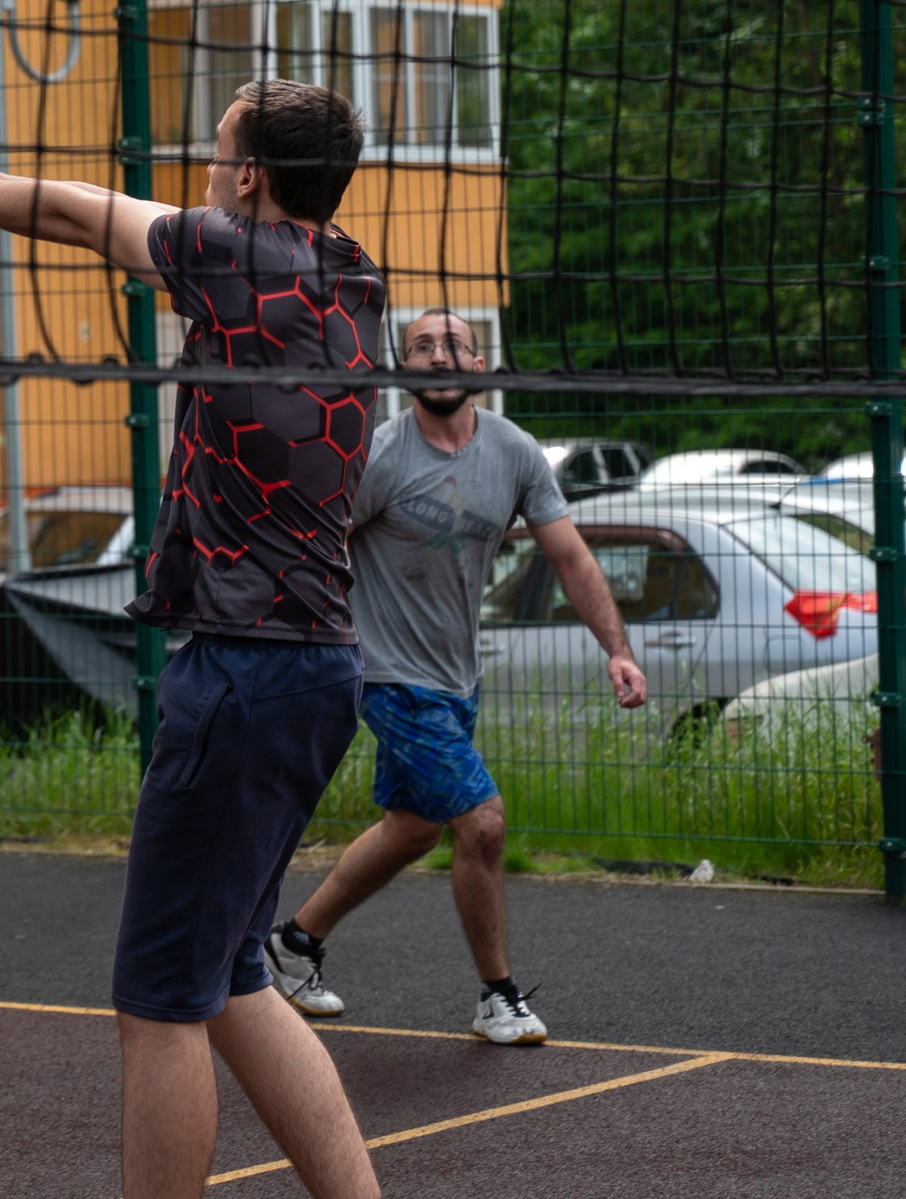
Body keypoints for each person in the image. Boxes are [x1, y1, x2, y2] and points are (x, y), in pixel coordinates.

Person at [0, 79, 396, 1199]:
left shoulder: (238, 255)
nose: (202, 173)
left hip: (246, 674)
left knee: (157, 1001)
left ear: (249, 179)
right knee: (234, 975)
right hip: (317, 669)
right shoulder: (354, 272)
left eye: (216, 154)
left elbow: (71, 210)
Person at [260, 309, 647, 1044]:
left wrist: (617, 649)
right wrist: (310, 644)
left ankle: (293, 944)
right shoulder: (379, 457)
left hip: (453, 677)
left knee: (411, 830)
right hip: (386, 674)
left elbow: (569, 556)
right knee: (483, 820)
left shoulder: (514, 451)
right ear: (404, 367)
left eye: (455, 345)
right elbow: (312, 552)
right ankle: (496, 995)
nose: (440, 355)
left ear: (478, 362)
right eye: (423, 346)